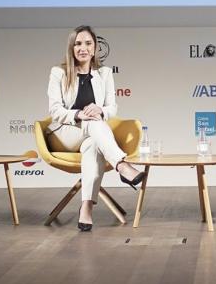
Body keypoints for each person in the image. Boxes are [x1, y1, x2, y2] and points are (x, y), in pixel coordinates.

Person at [46, 26, 144, 232]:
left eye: (88, 43)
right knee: (94, 123)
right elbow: (55, 110)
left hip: (91, 134)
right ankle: (122, 165)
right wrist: (79, 114)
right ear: (71, 48)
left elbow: (112, 107)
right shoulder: (59, 73)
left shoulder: (104, 73)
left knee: (93, 145)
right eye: (78, 43)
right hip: (65, 134)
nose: (83, 48)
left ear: (95, 47)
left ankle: (86, 208)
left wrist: (100, 110)